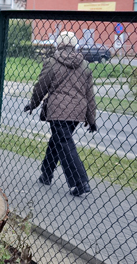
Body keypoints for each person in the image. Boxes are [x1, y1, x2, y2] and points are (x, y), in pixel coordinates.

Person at [24, 31, 97, 197]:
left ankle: (80, 182)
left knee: (63, 142)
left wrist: (33, 104)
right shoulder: (85, 65)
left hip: (57, 111)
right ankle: (46, 174)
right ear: (74, 45)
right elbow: (90, 95)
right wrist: (91, 119)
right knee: (58, 140)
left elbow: (41, 86)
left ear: (59, 44)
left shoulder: (52, 62)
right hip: (77, 113)